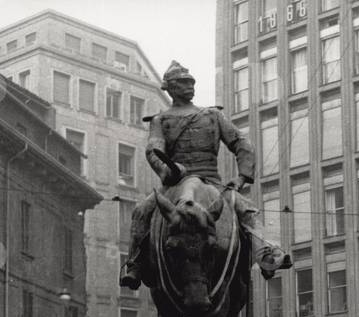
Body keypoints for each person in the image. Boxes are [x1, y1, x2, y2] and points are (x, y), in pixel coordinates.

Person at [120, 61, 290, 290]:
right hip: (175, 184)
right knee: (141, 211)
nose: (189, 86)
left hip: (212, 182)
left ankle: (266, 255)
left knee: (249, 212)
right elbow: (153, 150)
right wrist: (166, 169)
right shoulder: (160, 120)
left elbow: (241, 143)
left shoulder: (212, 115)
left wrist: (241, 178)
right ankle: (134, 264)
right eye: (182, 83)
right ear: (169, 87)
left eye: (191, 82)